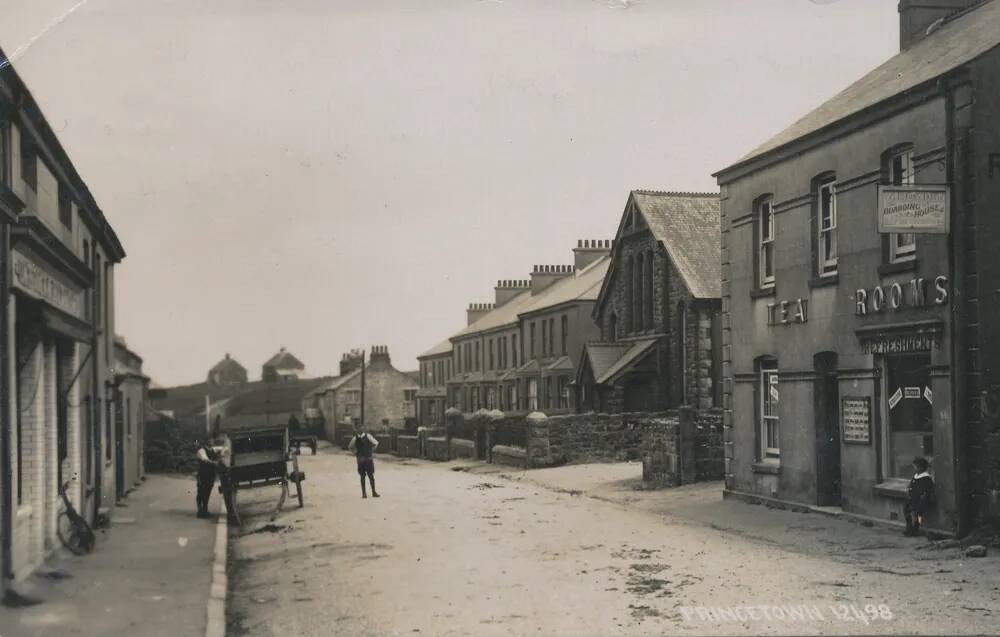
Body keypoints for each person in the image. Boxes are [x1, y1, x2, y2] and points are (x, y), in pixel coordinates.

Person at [904, 456, 934, 536]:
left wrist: (923, 497)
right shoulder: (916, 476)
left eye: (915, 467)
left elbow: (926, 490)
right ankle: (909, 528)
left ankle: (916, 528)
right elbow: (912, 484)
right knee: (907, 511)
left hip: (920, 500)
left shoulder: (926, 478)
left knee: (919, 514)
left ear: (920, 468)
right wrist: (909, 489)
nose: (914, 468)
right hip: (913, 499)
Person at [348, 427, 380, 498]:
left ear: (362, 430)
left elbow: (376, 443)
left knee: (369, 476)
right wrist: (370, 451)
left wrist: (355, 452)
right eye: (359, 429)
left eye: (360, 429)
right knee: (366, 476)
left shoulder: (365, 436)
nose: (360, 430)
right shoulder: (356, 438)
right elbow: (350, 447)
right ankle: (367, 493)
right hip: (365, 459)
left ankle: (370, 492)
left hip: (364, 459)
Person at [195, 440, 220, 518]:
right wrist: (216, 463)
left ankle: (205, 509)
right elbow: (205, 460)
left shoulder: (212, 450)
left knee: (207, 491)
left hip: (210, 474)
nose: (211, 443)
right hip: (203, 474)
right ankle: (200, 510)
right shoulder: (201, 451)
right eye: (209, 442)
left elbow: (222, 448)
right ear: (205, 444)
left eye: (212, 442)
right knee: (201, 491)